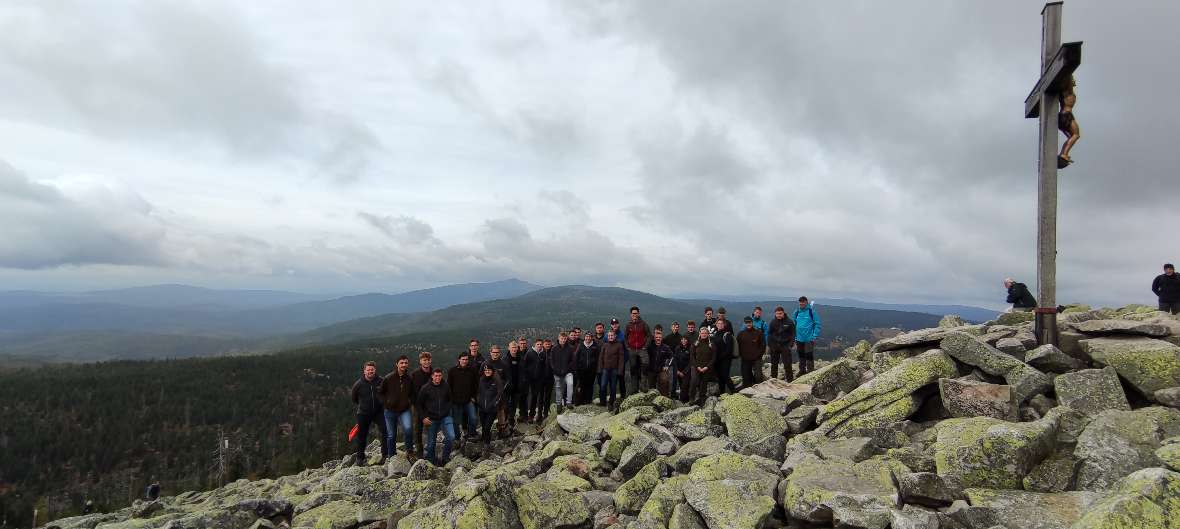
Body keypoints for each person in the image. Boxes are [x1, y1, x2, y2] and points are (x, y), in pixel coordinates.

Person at [378, 355, 416, 461]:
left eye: (406, 363)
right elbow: (380, 393)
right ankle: (392, 456)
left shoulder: (409, 379)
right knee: (391, 435)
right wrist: (386, 403)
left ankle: (409, 452)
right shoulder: (388, 378)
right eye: (402, 363)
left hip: (404, 410)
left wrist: (410, 402)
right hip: (389, 411)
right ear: (397, 364)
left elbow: (413, 394)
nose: (404, 365)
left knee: (408, 429)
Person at [350, 361, 388, 465]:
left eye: (372, 369)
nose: (370, 371)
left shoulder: (381, 381)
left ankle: (385, 455)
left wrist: (382, 403)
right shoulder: (358, 384)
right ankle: (360, 458)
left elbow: (387, 393)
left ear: (375, 370)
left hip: (378, 412)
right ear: (364, 371)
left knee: (385, 430)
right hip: (363, 413)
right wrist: (363, 405)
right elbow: (354, 398)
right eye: (368, 370)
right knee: (362, 435)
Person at [417, 368, 454, 466]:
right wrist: (423, 417)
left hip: (445, 416)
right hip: (431, 418)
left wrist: (447, 410)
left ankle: (445, 458)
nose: (438, 377)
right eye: (436, 376)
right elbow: (419, 404)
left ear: (442, 376)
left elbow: (450, 399)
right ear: (432, 376)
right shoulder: (425, 388)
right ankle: (431, 462)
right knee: (431, 443)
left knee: (451, 437)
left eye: (440, 376)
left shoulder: (446, 386)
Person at [447, 353, 479, 443]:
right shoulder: (452, 371)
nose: (465, 361)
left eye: (466, 359)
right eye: (463, 359)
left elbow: (476, 385)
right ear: (459, 360)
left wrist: (473, 397)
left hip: (468, 400)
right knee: (456, 422)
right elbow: (449, 386)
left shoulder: (472, 370)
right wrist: (451, 400)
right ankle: (457, 438)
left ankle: (471, 434)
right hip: (456, 402)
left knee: (473, 418)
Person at [410, 352, 434, 457]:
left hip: (430, 406)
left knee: (431, 429)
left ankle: (430, 452)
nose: (426, 362)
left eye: (428, 360)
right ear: (420, 361)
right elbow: (412, 393)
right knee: (417, 429)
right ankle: (419, 451)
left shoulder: (434, 373)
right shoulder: (415, 374)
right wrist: (416, 406)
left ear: (431, 360)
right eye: (424, 360)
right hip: (417, 405)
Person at [625, 306, 654, 391]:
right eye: (633, 313)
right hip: (632, 349)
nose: (634, 315)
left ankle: (643, 386)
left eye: (636, 313)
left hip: (642, 349)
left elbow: (649, 336)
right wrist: (627, 347)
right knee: (633, 368)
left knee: (645, 365)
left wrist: (645, 346)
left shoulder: (643, 324)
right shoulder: (628, 325)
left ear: (638, 313)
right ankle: (634, 388)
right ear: (631, 314)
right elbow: (625, 337)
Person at [476, 363, 503, 454]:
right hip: (482, 408)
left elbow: (499, 394)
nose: (487, 371)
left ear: (492, 371)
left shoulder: (496, 381)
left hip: (492, 409)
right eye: (486, 370)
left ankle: (487, 445)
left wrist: (494, 404)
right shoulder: (481, 380)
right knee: (484, 426)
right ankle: (484, 438)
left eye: (489, 370)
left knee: (487, 427)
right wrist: (478, 402)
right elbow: (478, 392)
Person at [793, 297, 822, 375]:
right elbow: (794, 324)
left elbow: (817, 324)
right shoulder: (796, 312)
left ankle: (810, 372)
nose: (801, 304)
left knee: (809, 356)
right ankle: (802, 371)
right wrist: (794, 336)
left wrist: (814, 336)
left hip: (809, 339)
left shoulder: (811, 312)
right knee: (801, 355)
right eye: (800, 302)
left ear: (806, 302)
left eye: (803, 302)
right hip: (799, 339)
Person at [487, 345, 512, 437]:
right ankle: (487, 431)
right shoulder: (486, 364)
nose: (495, 354)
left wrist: (502, 388)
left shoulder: (503, 364)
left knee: (501, 411)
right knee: (489, 412)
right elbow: (481, 378)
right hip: (489, 393)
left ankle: (502, 429)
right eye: (494, 352)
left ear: (499, 353)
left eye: (497, 353)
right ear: (490, 353)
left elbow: (507, 379)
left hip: (500, 393)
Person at [767, 306, 797, 381]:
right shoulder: (773, 322)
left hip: (785, 346)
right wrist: (770, 345)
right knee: (774, 364)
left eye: (780, 313)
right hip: (775, 346)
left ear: (783, 313)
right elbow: (769, 334)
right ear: (775, 314)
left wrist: (790, 345)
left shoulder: (789, 322)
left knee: (787, 365)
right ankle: (773, 380)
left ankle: (790, 381)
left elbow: (793, 334)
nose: (779, 315)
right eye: (777, 314)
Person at [550, 331, 577, 413]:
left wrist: (566, 369)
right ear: (559, 339)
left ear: (566, 339)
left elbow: (572, 361)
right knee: (558, 388)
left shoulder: (570, 348)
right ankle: (559, 404)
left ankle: (569, 402)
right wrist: (555, 370)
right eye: (562, 338)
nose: (563, 340)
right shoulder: (554, 348)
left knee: (570, 384)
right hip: (557, 372)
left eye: (565, 339)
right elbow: (551, 360)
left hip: (568, 372)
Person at [598, 329, 625, 410]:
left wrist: (620, 371)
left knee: (613, 387)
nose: (610, 337)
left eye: (612, 335)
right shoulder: (605, 345)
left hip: (614, 370)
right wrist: (600, 369)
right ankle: (602, 402)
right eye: (609, 336)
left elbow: (621, 359)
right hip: (605, 369)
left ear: (615, 336)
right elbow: (601, 358)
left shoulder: (619, 345)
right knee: (603, 386)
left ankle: (611, 403)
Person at [737, 316, 766, 388]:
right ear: (744, 323)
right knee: (746, 378)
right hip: (745, 359)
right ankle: (748, 394)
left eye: (749, 322)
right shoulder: (741, 334)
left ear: (752, 322)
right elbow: (737, 346)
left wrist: (759, 355)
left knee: (758, 377)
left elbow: (763, 345)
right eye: (747, 323)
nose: (748, 324)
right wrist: (740, 355)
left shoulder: (758, 333)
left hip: (756, 358)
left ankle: (761, 391)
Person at [712, 318, 738, 395]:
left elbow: (729, 350)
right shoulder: (716, 334)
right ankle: (722, 394)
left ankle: (734, 393)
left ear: (724, 325)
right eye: (718, 323)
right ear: (716, 325)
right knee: (720, 378)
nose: (720, 325)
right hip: (717, 361)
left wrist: (719, 357)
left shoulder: (727, 335)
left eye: (721, 323)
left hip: (725, 360)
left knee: (725, 376)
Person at [689, 328, 715, 406]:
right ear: (699, 334)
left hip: (706, 367)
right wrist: (697, 367)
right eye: (702, 333)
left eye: (705, 333)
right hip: (696, 367)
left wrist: (707, 367)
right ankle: (691, 398)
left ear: (708, 334)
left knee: (704, 384)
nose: (703, 334)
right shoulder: (696, 343)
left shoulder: (711, 344)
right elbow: (692, 356)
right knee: (694, 382)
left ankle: (702, 400)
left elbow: (714, 358)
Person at [523, 339, 546, 422]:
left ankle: (532, 415)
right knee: (527, 395)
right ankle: (526, 415)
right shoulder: (529, 353)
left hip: (538, 379)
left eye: (540, 344)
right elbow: (524, 365)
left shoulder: (543, 354)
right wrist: (526, 376)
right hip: (529, 378)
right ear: (535, 345)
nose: (539, 346)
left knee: (535, 396)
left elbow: (544, 367)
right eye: (538, 344)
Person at [574, 332, 600, 405]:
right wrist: (576, 368)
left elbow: (598, 358)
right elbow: (576, 357)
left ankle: (588, 401)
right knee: (581, 386)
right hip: (581, 370)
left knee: (590, 386)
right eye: (586, 337)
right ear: (584, 337)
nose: (588, 338)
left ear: (592, 338)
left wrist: (596, 368)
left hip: (592, 370)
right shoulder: (581, 345)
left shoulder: (595, 346)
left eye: (589, 337)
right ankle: (579, 401)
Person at [650, 328, 674, 397]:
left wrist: (667, 365)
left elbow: (672, 356)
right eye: (656, 337)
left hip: (662, 369)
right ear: (654, 338)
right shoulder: (650, 346)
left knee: (664, 381)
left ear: (662, 338)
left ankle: (664, 398)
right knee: (651, 387)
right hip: (651, 369)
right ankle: (652, 400)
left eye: (659, 337)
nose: (658, 338)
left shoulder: (665, 347)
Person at [506, 341, 525, 429]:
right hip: (508, 387)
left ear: (517, 348)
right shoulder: (505, 359)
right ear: (509, 348)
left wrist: (521, 383)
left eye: (515, 347)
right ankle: (505, 422)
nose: (514, 349)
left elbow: (523, 372)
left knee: (514, 405)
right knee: (506, 405)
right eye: (512, 347)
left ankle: (511, 421)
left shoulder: (520, 358)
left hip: (518, 386)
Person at [609, 317, 628, 398]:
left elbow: (627, 350)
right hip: (611, 363)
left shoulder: (623, 336)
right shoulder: (608, 335)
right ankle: (612, 398)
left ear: (618, 324)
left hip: (620, 363)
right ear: (611, 325)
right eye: (613, 324)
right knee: (612, 381)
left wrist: (624, 361)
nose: (615, 325)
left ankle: (623, 397)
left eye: (616, 323)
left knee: (621, 380)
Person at [673, 335, 692, 402]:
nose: (683, 341)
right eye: (682, 339)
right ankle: (686, 400)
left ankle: (682, 401)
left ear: (687, 340)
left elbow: (691, 362)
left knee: (685, 386)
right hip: (678, 370)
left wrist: (684, 372)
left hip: (686, 371)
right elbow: (675, 359)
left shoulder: (690, 348)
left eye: (685, 339)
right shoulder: (678, 348)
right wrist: (677, 370)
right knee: (681, 386)